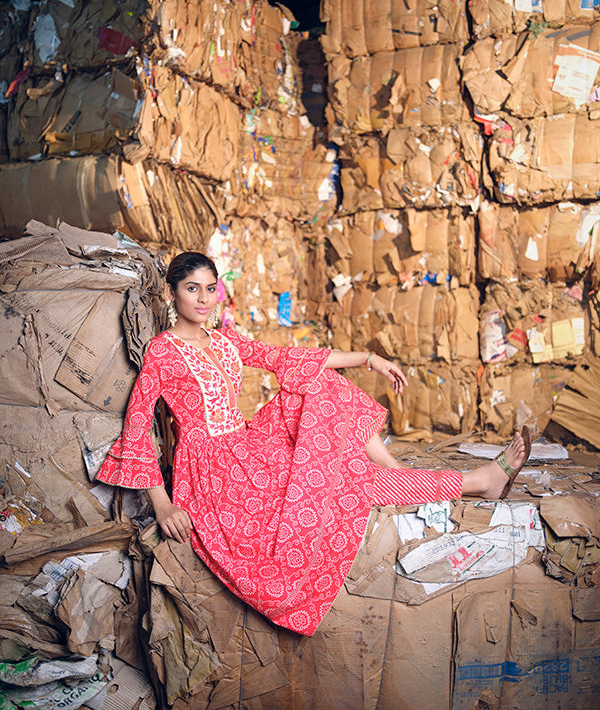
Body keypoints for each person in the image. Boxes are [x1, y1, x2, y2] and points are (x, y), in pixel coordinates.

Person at [97, 252, 530, 636]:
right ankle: (474, 481)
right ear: (172, 293)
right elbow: (135, 429)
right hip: (213, 472)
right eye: (193, 289)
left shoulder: (224, 341)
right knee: (347, 481)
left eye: (211, 289)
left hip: (247, 444)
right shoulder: (162, 351)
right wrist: (163, 504)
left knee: (321, 384)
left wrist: (367, 358)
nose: (205, 299)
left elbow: (284, 358)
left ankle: (409, 476)